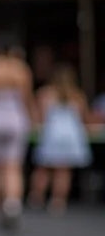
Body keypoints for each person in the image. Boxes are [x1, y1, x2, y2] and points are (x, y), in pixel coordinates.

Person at [0, 42, 35, 231]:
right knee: (12, 166)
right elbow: (27, 99)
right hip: (16, 117)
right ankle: (12, 204)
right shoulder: (21, 69)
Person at [28, 64, 91, 214]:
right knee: (63, 171)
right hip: (71, 136)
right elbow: (85, 118)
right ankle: (58, 202)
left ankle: (37, 197)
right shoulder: (78, 95)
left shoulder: (45, 94)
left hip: (51, 134)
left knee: (43, 168)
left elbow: (38, 118)